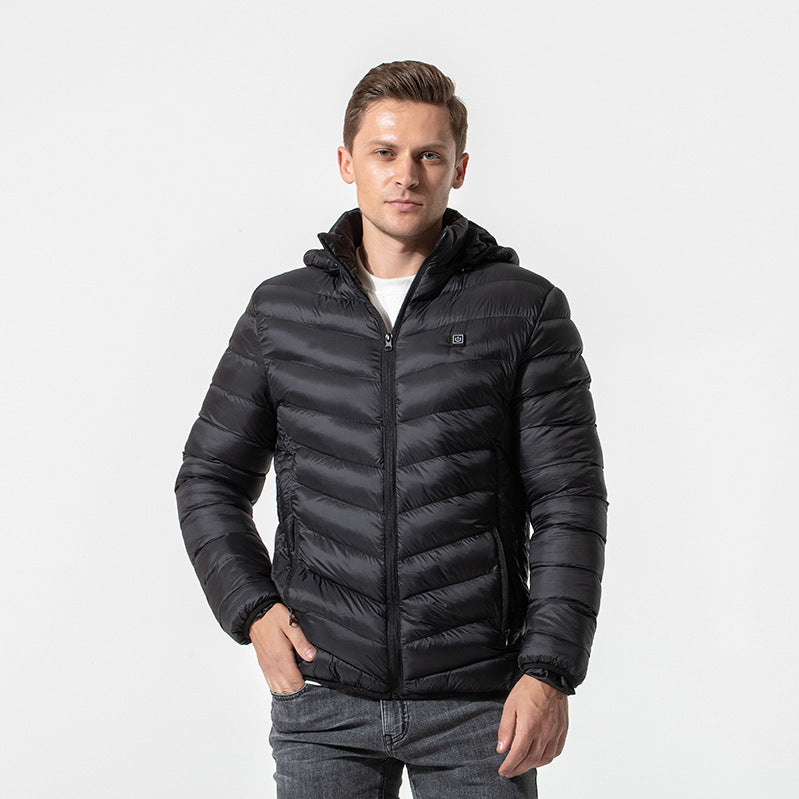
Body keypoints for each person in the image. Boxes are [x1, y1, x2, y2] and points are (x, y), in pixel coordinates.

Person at [175, 59, 607, 798]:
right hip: (324, 694)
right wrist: (253, 612)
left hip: (481, 704)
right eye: (384, 152)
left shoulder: (523, 309)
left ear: (458, 168)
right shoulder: (281, 313)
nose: (405, 174)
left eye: (428, 154)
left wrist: (549, 669)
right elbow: (208, 479)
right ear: (348, 162)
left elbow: (569, 501)